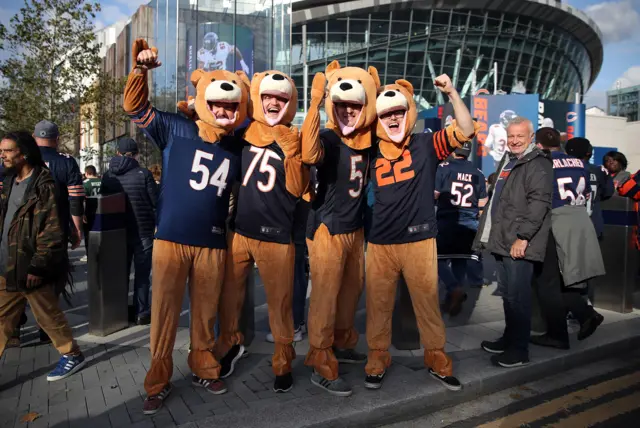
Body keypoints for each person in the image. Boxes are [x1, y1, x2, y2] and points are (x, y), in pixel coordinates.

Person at [125, 39, 250, 414]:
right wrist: (140, 70)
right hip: (170, 239)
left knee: (205, 313)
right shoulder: (176, 128)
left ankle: (203, 364)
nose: (225, 108)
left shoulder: (238, 145)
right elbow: (135, 108)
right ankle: (158, 379)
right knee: (163, 314)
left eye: (233, 104)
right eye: (219, 102)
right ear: (201, 99)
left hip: (212, 242)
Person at [365, 75, 478, 391]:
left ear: (409, 112)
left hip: (418, 239)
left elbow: (467, 130)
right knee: (378, 304)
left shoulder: (425, 144)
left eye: (398, 112)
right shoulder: (369, 150)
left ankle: (437, 361)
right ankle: (377, 358)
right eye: (386, 114)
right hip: (380, 243)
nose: (393, 118)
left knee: (427, 306)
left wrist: (453, 92)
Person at [215, 70, 309, 394]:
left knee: (280, 305)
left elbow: (299, 189)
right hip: (240, 231)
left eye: (280, 98)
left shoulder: (294, 139)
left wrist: (293, 152)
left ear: (290, 102)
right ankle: (229, 344)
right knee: (229, 296)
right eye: (266, 96)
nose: (272, 102)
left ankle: (283, 358)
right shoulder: (246, 132)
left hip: (277, 236)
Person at [299, 62, 380, 396]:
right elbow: (308, 153)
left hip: (354, 228)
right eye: (343, 105)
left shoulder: (369, 139)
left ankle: (342, 341)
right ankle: (319, 357)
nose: (349, 110)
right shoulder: (329, 138)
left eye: (355, 105)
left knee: (351, 293)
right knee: (325, 296)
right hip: (327, 228)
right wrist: (314, 104)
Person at [0, 131, 86, 381]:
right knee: (2, 316)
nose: (2, 155)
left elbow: (51, 230)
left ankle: (72, 354)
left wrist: (37, 267)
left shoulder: (43, 184)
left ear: (23, 153)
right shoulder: (8, 181)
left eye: (7, 150)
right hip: (8, 264)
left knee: (48, 315)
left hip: (31, 265)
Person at [473, 117, 553, 368]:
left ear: (531, 138)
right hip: (503, 238)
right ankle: (509, 339)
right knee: (509, 295)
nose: (515, 140)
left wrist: (523, 237)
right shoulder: (509, 160)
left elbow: (539, 203)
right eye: (511, 136)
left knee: (518, 297)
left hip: (518, 241)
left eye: (520, 136)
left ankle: (519, 349)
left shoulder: (537, 163)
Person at [530, 128, 605, 350]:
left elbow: (537, 197)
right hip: (580, 219)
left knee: (547, 281)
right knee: (567, 278)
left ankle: (558, 334)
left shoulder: (542, 163)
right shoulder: (580, 164)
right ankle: (585, 314)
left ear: (538, 144)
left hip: (556, 220)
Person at [101, 139, 158, 325]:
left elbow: (104, 203)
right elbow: (155, 202)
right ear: (136, 154)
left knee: (121, 272)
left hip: (117, 232)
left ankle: (119, 312)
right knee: (142, 275)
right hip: (143, 231)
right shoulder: (143, 174)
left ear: (117, 153)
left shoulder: (108, 175)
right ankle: (142, 313)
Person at [435, 142, 488, 316]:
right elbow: (482, 204)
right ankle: (452, 297)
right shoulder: (477, 172)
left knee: (436, 260)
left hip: (447, 219)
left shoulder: (443, 167)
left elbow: (434, 193)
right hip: (469, 221)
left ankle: (453, 288)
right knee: (460, 260)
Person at [266, 199, 311, 343]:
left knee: (292, 277)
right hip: (302, 215)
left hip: (291, 219)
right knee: (299, 272)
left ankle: (293, 326)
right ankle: (299, 322)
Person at [565, 138, 614, 240]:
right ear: (588, 153)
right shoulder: (599, 170)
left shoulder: (563, 169)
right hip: (593, 223)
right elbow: (608, 192)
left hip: (569, 225)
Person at [82, 165, 101, 260]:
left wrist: (82, 213)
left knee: (88, 234)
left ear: (86, 173)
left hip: (89, 211)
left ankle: (89, 254)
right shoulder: (103, 182)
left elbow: (81, 200)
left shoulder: (85, 183)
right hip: (102, 211)